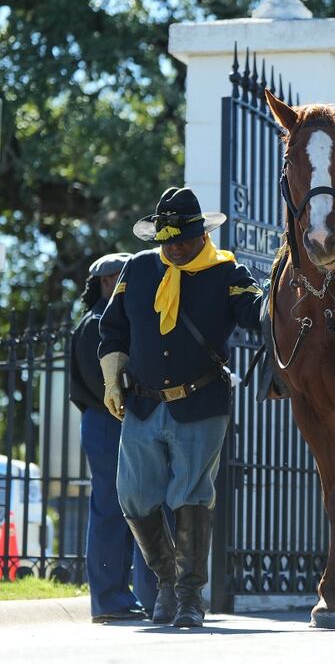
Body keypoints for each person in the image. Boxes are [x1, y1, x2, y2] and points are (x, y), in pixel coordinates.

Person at [99, 187, 263, 628]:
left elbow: (256, 314)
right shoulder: (138, 269)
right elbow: (112, 328)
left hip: (201, 402)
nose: (174, 248)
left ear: (200, 236)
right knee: (133, 496)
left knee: (191, 496)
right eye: (167, 240)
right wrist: (113, 379)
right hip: (144, 405)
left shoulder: (227, 271)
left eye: (182, 241)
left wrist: (280, 294)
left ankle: (190, 598)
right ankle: (167, 582)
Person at [70, 252, 162, 623]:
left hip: (117, 422)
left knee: (141, 508)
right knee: (111, 508)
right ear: (109, 282)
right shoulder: (95, 324)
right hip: (108, 421)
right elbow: (106, 387)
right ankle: (109, 600)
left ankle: (143, 596)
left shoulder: (118, 322)